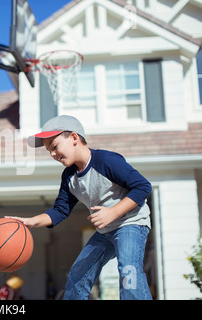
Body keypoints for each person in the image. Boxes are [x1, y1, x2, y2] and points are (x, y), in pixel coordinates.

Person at [8, 115, 152, 300]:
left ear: (74, 138)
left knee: (129, 273)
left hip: (131, 224)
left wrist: (113, 212)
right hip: (105, 230)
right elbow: (60, 210)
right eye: (48, 151)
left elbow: (142, 187)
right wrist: (31, 221)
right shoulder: (69, 176)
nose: (52, 154)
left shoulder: (107, 161)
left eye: (54, 146)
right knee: (78, 274)